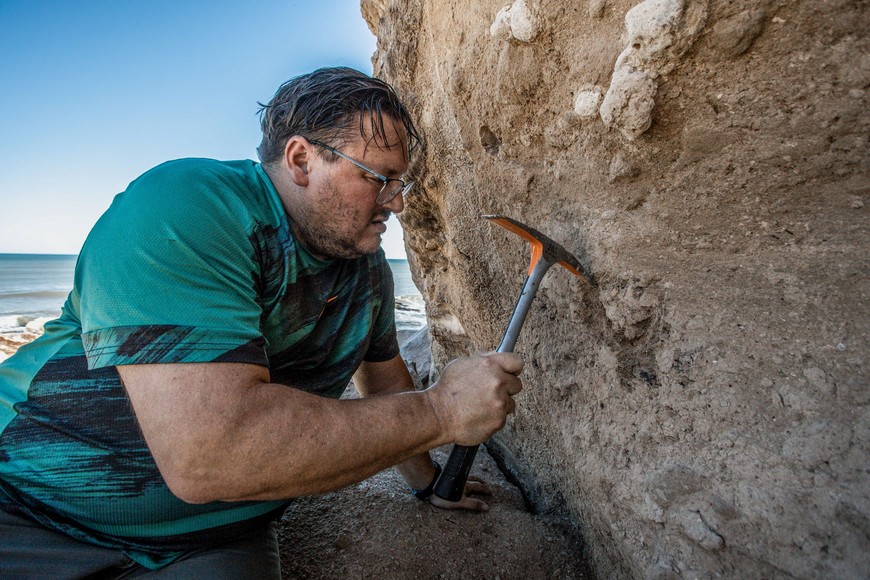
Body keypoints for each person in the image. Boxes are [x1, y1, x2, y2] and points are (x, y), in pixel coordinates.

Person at [0, 67, 523, 577]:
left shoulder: (367, 272)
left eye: (400, 182)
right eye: (379, 178)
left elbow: (382, 378)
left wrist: (427, 480)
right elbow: (211, 455)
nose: (398, 202)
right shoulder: (189, 205)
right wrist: (442, 410)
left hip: (216, 538)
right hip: (28, 505)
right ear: (301, 159)